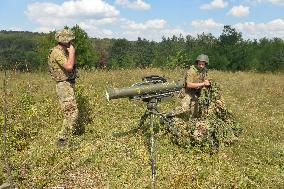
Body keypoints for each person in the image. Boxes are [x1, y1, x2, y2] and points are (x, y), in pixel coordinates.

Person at [48, 28, 78, 147]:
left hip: (66, 84)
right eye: (70, 40)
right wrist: (72, 53)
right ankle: (62, 140)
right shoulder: (57, 52)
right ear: (65, 41)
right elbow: (69, 66)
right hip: (63, 85)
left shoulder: (60, 51)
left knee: (70, 111)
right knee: (71, 112)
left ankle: (66, 139)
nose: (72, 43)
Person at [167, 54, 211, 118]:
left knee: (196, 108)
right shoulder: (191, 71)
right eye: (199, 64)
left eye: (203, 64)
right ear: (197, 63)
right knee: (183, 108)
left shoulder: (204, 71)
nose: (201, 66)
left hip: (196, 92)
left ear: (205, 64)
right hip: (187, 91)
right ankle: (167, 116)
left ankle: (193, 121)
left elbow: (205, 80)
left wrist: (208, 82)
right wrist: (203, 84)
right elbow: (189, 85)